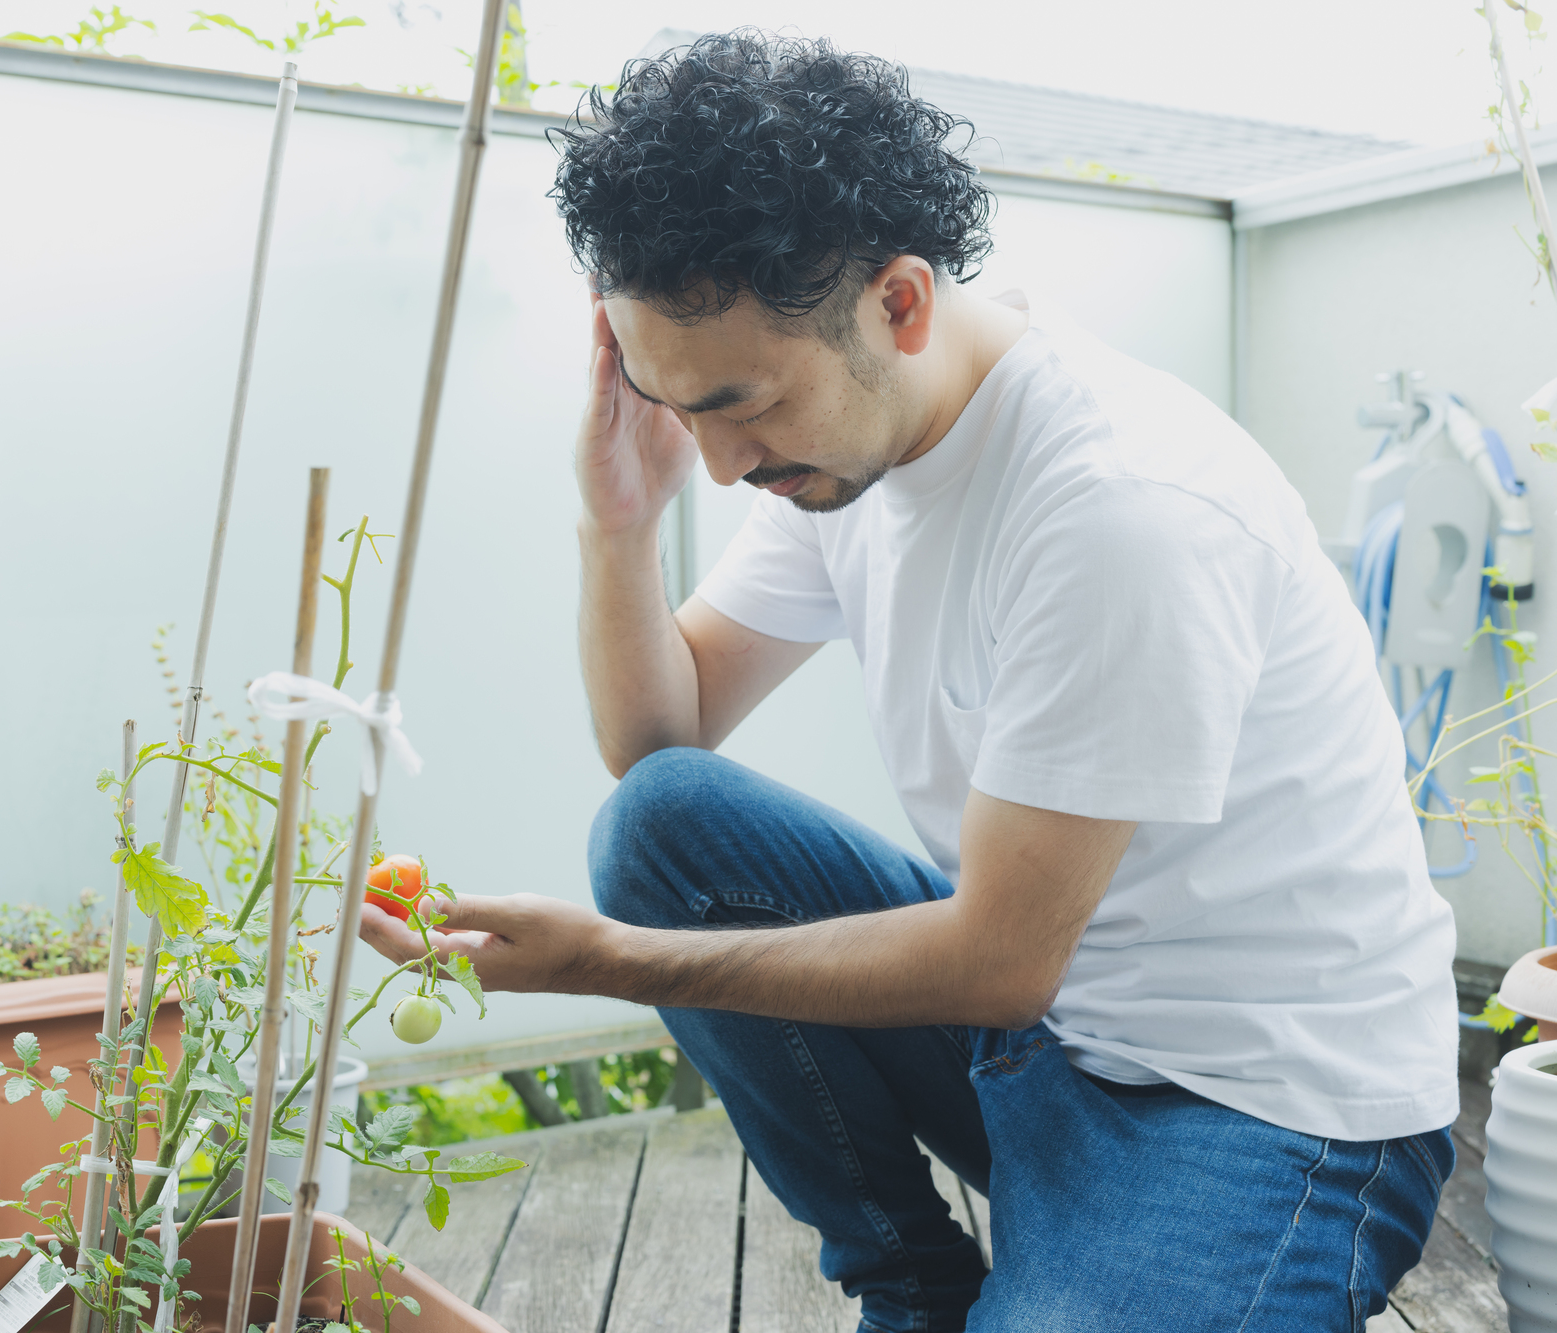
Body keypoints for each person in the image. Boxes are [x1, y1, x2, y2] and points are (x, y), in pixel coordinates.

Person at [361, 30, 1458, 1332]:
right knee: (666, 824)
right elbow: (661, 732)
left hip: (1259, 1104)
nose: (717, 462)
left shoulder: (1119, 505)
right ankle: (913, 1286)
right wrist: (618, 522)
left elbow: (999, 956)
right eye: (677, 407)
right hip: (1044, 1039)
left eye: (738, 404)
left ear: (900, 303)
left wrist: (612, 963)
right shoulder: (845, 443)